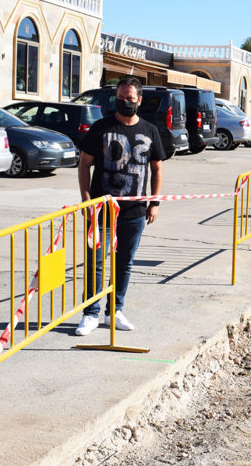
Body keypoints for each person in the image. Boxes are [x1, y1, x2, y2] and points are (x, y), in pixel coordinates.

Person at [75, 76, 165, 336]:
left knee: (124, 263)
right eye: (121, 98)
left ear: (139, 100)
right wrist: (86, 200)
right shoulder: (101, 128)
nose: (125, 102)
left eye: (130, 98)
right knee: (96, 262)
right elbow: (84, 165)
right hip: (101, 211)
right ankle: (90, 314)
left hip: (134, 212)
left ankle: (114, 310)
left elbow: (157, 169)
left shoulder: (150, 130)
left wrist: (155, 203)